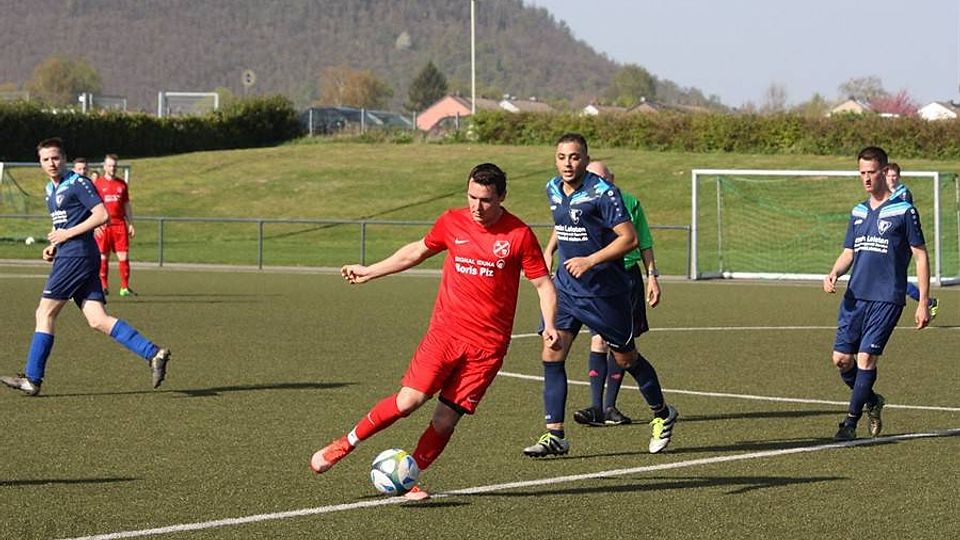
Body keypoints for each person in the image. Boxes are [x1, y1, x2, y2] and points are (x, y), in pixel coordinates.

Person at [309, 163, 558, 500]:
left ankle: (409, 478)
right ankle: (343, 445)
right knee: (408, 401)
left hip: (487, 349)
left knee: (444, 421)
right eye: (471, 197)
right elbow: (417, 251)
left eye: (485, 200)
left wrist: (550, 324)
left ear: (501, 197)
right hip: (446, 334)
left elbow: (543, 284)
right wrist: (371, 271)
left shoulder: (519, 235)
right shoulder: (452, 221)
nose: (477, 206)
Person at [524, 133, 677, 458]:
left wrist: (590, 260)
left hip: (604, 293)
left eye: (575, 157)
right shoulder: (552, 188)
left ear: (585, 158)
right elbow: (564, 222)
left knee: (626, 359)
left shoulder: (603, 192)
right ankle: (555, 435)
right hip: (566, 290)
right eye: (562, 157)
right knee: (552, 352)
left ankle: (662, 413)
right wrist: (549, 251)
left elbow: (629, 238)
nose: (568, 163)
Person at [1, 138, 170, 396]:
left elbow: (102, 214)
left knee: (44, 313)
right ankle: (153, 353)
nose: (51, 163)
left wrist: (67, 236)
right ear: (40, 163)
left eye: (55, 157)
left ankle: (32, 379)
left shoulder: (78, 183)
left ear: (64, 158)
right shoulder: (50, 189)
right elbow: (63, 224)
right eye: (46, 159)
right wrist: (54, 245)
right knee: (97, 319)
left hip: (76, 257)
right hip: (73, 254)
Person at [542, 160, 661, 428]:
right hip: (581, 282)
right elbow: (564, 222)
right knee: (592, 343)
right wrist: (549, 250)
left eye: (600, 178)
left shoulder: (627, 202)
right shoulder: (566, 191)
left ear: (611, 179)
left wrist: (652, 276)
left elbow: (642, 241)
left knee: (622, 350)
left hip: (620, 280)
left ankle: (613, 406)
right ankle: (594, 409)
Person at [823, 146, 930, 440]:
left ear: (884, 172)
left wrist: (923, 301)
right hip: (855, 296)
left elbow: (920, 255)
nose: (866, 178)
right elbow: (849, 251)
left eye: (871, 172)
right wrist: (834, 272)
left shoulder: (904, 211)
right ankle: (871, 400)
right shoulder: (858, 211)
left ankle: (849, 423)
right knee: (841, 360)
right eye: (862, 173)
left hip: (886, 298)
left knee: (866, 358)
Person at [884, 162, 939, 319]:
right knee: (890, 276)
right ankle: (928, 302)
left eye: (894, 176)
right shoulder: (884, 193)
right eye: (889, 176)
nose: (892, 178)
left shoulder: (903, 194)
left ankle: (927, 302)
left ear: (899, 177)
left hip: (902, 241)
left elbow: (902, 217)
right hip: (890, 241)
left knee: (894, 277)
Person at [93, 154, 136, 296]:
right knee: (103, 256)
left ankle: (124, 287)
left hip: (119, 225)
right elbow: (93, 206)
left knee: (123, 256)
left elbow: (126, 205)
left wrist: (131, 223)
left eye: (115, 166)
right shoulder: (97, 184)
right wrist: (95, 223)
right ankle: (103, 286)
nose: (112, 168)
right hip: (104, 225)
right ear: (104, 166)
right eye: (110, 165)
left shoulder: (122, 184)